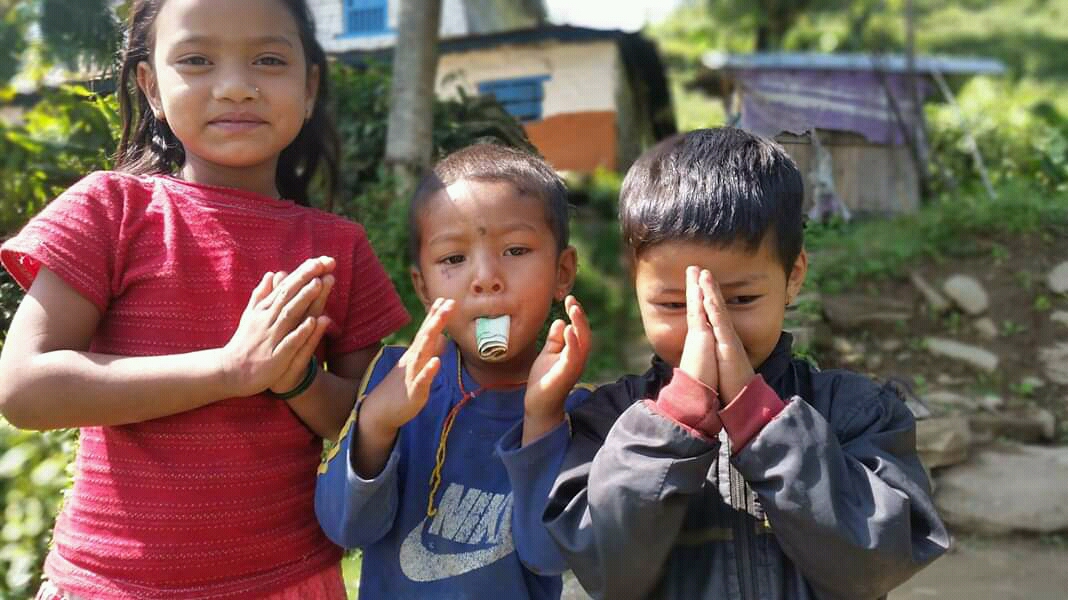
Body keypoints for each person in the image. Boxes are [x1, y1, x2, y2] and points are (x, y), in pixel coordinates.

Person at [0, 0, 409, 597]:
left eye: (269, 60)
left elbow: (363, 424)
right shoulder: (111, 211)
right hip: (113, 584)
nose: (236, 86)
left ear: (310, 87)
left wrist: (297, 381)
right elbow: (25, 390)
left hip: (290, 580)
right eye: (196, 60)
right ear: (151, 87)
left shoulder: (337, 247)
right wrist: (228, 370)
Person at [543, 128, 950, 600]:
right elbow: (606, 570)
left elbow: (878, 563)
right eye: (675, 305)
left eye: (740, 299)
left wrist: (763, 423)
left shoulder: (857, 411)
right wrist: (675, 420)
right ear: (636, 284)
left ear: (793, 277)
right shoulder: (607, 423)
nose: (709, 328)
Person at [315, 143, 592, 599]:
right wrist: (377, 425)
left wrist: (542, 419)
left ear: (562, 272)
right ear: (423, 287)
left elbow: (548, 555)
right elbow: (345, 529)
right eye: (453, 259)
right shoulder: (396, 378)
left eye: (515, 250)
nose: (485, 278)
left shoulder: (577, 410)